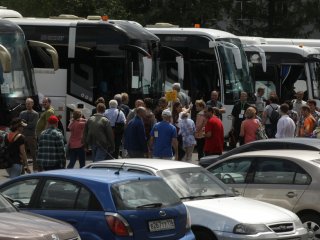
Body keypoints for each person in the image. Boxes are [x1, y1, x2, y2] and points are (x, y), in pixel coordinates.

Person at [19, 98, 39, 172]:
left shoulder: (36, 114)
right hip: (23, 136)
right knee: (22, 153)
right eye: (26, 103)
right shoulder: (22, 113)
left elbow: (33, 125)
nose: (27, 105)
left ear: (32, 104)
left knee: (34, 153)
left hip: (31, 136)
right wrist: (26, 125)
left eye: (29, 103)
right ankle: (23, 169)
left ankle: (35, 169)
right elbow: (19, 123)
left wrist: (24, 124)